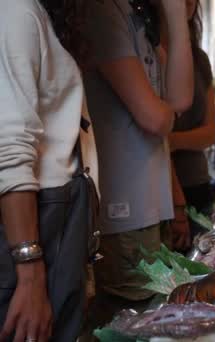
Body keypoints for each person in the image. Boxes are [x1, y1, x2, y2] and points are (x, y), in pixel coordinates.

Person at [82, 0, 193, 328]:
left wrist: (175, 16)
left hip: (149, 211)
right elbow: (155, 118)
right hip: (123, 215)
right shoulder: (102, 11)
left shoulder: (137, 13)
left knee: (157, 320)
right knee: (137, 326)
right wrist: (164, 113)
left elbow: (180, 100)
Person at [0, 0, 98, 341]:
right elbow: (9, 148)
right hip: (37, 225)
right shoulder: (16, 10)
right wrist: (29, 274)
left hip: (57, 221)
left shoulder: (35, 11)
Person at [169, 0, 215, 226]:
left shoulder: (199, 59)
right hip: (163, 192)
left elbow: (210, 133)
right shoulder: (148, 55)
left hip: (197, 180)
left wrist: (169, 140)